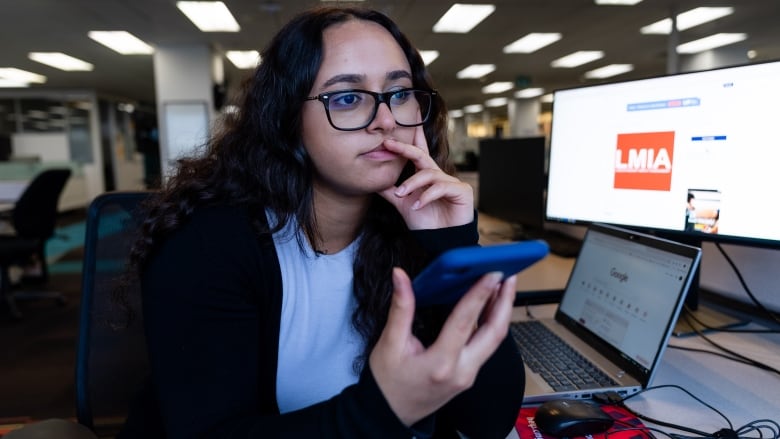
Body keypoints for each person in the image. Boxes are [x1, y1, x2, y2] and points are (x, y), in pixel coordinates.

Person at [119, 6, 525, 438]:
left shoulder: (408, 233)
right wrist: (383, 410)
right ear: (288, 120)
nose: (386, 121)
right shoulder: (207, 242)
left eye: (400, 93)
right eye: (348, 98)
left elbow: (488, 421)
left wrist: (450, 244)